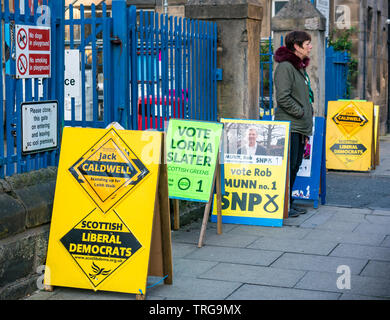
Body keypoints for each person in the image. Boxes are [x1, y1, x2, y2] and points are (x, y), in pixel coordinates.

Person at [274, 31, 314, 218]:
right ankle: (283, 205)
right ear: (296, 46)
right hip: (289, 125)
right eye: (307, 43)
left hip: (298, 126)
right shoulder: (285, 67)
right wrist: (301, 112)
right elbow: (283, 97)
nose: (310, 47)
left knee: (296, 165)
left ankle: (288, 202)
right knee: (289, 167)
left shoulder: (299, 68)